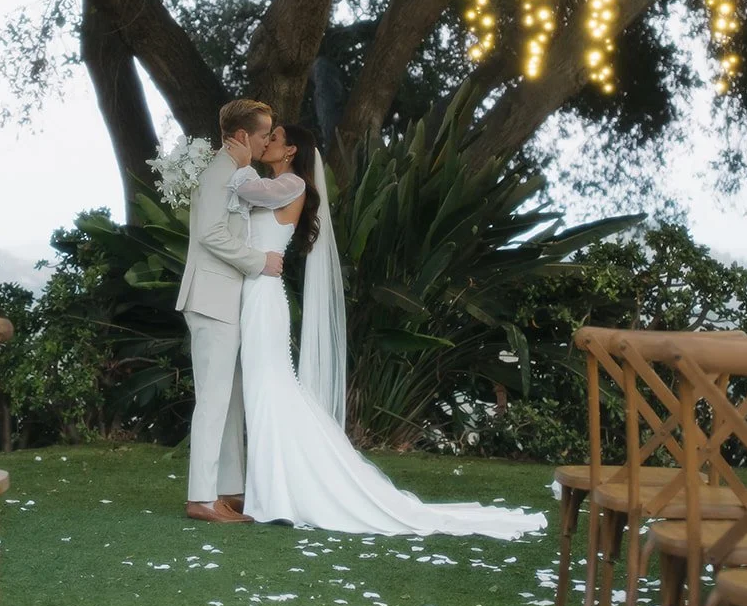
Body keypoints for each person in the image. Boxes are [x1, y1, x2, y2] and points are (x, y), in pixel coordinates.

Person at [226, 124, 547, 539]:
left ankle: (277, 493)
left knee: (269, 387)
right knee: (265, 387)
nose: (265, 140)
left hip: (265, 297)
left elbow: (249, 194)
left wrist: (236, 164)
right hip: (256, 291)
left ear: (291, 151)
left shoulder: (290, 183)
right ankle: (271, 490)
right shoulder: (277, 180)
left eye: (275, 137)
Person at [175, 98, 285, 525]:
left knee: (230, 398)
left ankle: (229, 490)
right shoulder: (221, 171)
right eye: (262, 135)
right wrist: (259, 262)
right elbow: (209, 234)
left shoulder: (239, 174)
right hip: (211, 299)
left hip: (226, 301)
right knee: (214, 399)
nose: (265, 142)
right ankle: (202, 498)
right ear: (241, 136)